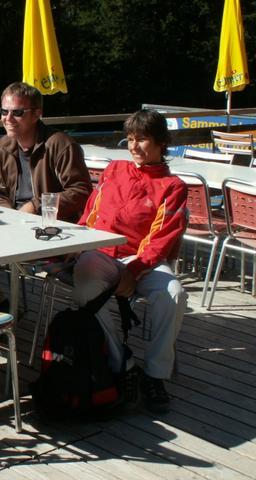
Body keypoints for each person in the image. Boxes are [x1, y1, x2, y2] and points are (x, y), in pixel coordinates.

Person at [72, 109, 188, 413]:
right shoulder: (114, 169)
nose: (134, 146)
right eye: (131, 139)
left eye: (143, 139)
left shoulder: (172, 186)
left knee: (174, 294)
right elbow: (91, 213)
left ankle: (155, 374)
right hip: (101, 251)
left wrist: (134, 271)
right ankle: (121, 361)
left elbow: (161, 238)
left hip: (142, 257)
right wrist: (77, 243)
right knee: (85, 285)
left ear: (162, 142)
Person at [0, 81, 92, 308]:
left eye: (17, 112)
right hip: (13, 226)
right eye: (4, 111)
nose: (8, 118)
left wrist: (35, 207)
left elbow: (81, 192)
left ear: (37, 114)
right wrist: (11, 216)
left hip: (51, 231)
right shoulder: (3, 147)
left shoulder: (60, 145)